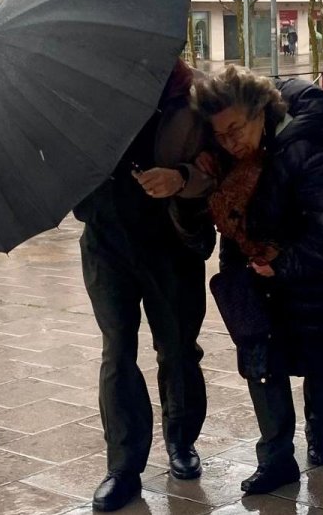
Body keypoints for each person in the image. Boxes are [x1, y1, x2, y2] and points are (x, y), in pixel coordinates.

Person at [192, 67, 323, 495]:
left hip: (320, 288)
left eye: (235, 130)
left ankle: (320, 434)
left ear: (261, 112)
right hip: (261, 284)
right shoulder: (233, 164)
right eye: (219, 136)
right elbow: (233, 230)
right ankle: (275, 459)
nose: (229, 142)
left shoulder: (311, 154)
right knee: (262, 369)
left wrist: (286, 262)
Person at [72, 58, 216, 512]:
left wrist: (181, 179)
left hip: (169, 241)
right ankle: (123, 468)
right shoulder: (87, 95)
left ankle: (181, 441)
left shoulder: (190, 95)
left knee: (177, 347)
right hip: (105, 239)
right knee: (117, 351)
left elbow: (220, 162)